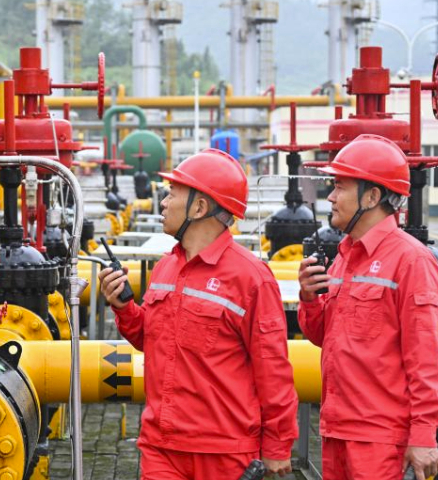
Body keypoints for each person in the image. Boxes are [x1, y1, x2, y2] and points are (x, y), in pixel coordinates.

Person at [100, 149, 298, 479]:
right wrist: (124, 309)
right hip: (162, 447)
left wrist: (278, 445)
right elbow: (153, 339)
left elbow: (273, 370)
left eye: (173, 193)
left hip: (224, 452)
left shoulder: (251, 278)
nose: (163, 202)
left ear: (200, 206)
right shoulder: (166, 267)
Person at [298, 134, 438, 480]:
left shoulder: (411, 261)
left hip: (381, 441)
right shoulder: (345, 256)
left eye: (340, 186)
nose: (331, 196)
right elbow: (322, 336)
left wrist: (423, 435)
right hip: (336, 431)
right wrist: (309, 299)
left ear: (372, 196)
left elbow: (427, 357)